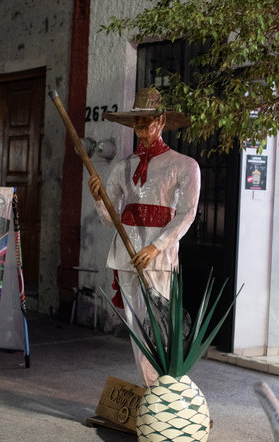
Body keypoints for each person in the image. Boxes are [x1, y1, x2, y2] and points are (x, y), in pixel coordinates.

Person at [88, 88, 200, 386]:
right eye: (136, 123)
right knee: (137, 329)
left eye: (146, 121)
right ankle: (150, 391)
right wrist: (99, 198)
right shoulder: (123, 166)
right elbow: (108, 217)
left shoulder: (184, 165)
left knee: (159, 326)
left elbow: (186, 213)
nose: (141, 129)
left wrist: (156, 246)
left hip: (158, 258)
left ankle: (163, 390)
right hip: (126, 254)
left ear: (161, 121)